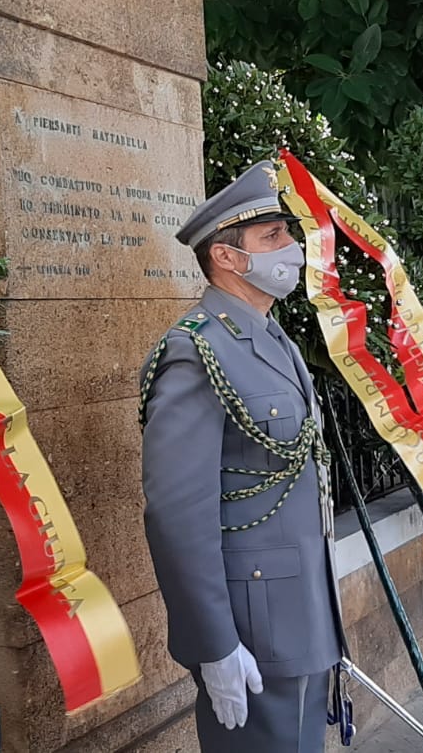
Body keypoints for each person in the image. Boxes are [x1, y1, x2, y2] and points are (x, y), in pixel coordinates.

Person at [139, 161, 341, 751]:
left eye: (286, 234)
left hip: (300, 611)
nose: (291, 249)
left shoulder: (270, 336)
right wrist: (215, 645)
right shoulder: (196, 350)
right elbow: (178, 514)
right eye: (272, 236)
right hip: (255, 625)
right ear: (227, 257)